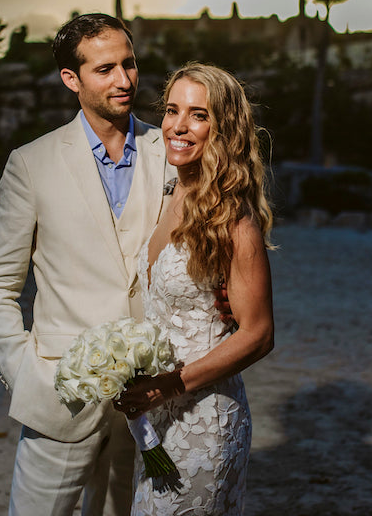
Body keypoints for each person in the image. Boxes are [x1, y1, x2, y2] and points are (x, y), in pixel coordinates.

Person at [0, 13, 172, 515]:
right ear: (71, 79)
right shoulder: (31, 163)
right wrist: (24, 373)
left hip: (151, 397)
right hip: (62, 395)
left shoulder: (167, 151)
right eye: (104, 69)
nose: (124, 80)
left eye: (129, 64)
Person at [113, 62, 275, 516]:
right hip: (155, 416)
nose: (178, 126)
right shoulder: (170, 192)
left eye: (198, 115)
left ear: (223, 130)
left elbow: (259, 333)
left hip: (205, 419)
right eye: (171, 110)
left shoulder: (233, 217)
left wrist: (168, 385)